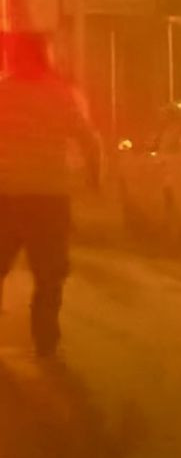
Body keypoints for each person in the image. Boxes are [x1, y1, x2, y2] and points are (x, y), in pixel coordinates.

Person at [0, 23, 100, 360]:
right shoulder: (59, 93)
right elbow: (88, 139)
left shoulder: (4, 92)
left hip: (7, 195)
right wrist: (94, 178)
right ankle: (45, 341)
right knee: (49, 274)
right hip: (48, 196)